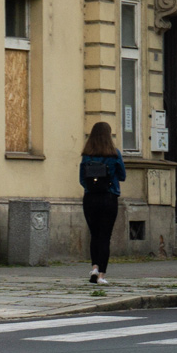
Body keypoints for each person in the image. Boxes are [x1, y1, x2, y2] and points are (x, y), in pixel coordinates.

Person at [79, 121, 127, 284]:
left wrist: (91, 187)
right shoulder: (114, 154)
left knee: (94, 234)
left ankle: (94, 267)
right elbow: (122, 176)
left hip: (90, 199)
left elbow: (81, 179)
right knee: (105, 236)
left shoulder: (87, 154)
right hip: (109, 197)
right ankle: (101, 275)